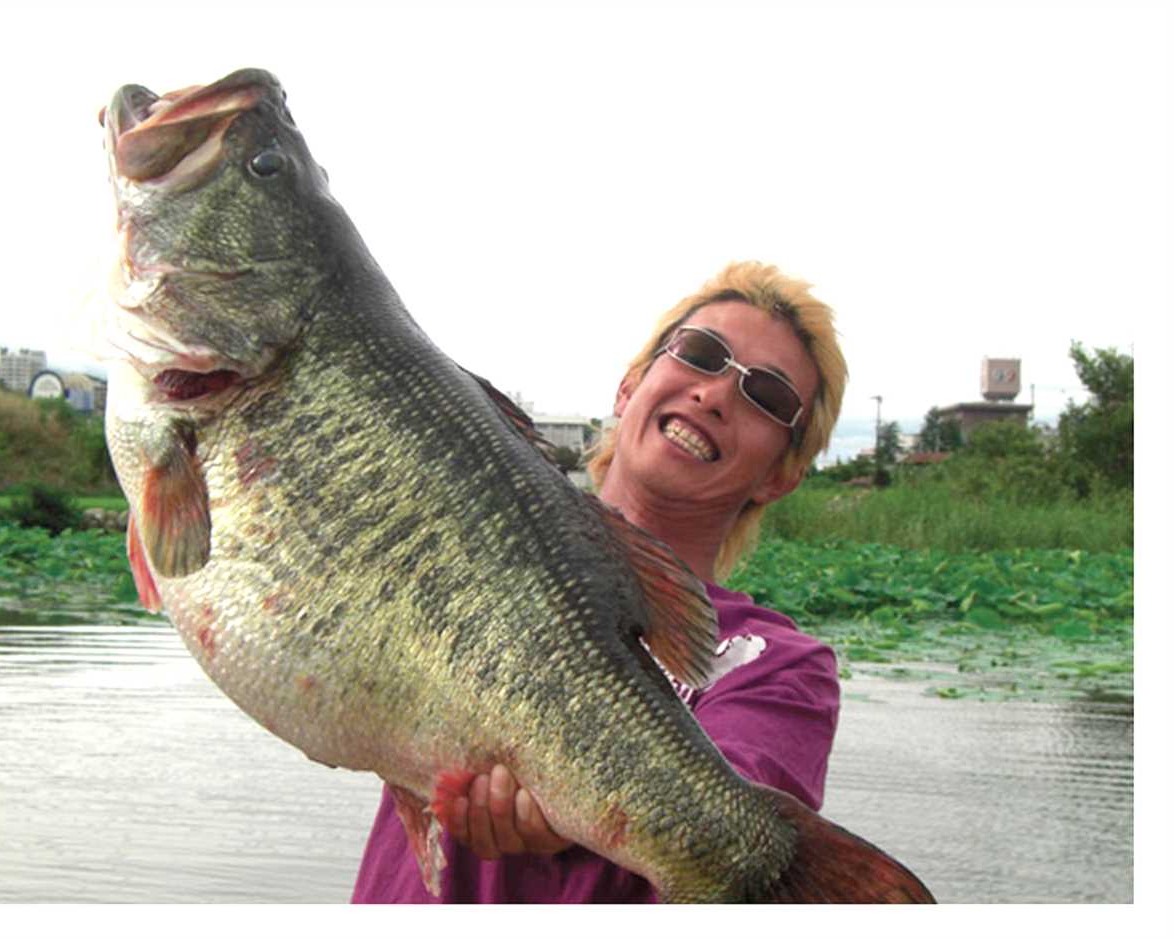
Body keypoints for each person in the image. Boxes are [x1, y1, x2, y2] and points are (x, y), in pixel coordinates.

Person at [352, 260, 849, 903]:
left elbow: (743, 834)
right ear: (629, 386)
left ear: (779, 476)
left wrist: (574, 798)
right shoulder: (468, 541)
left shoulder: (777, 668)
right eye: (701, 353)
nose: (716, 394)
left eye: (768, 397)